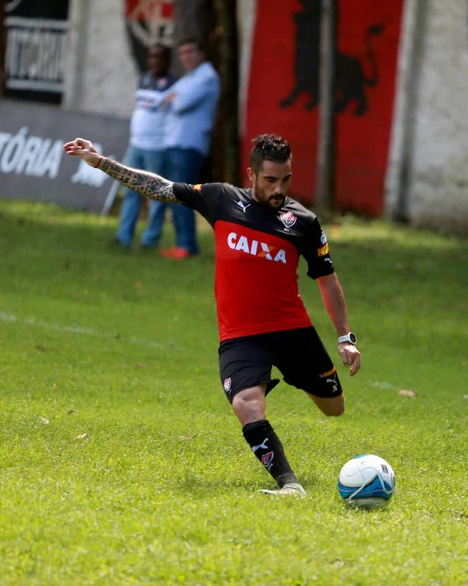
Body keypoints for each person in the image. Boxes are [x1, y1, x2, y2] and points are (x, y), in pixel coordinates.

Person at [63, 133, 362, 497]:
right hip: (240, 334)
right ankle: (289, 484)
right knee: (245, 403)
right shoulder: (222, 199)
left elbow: (327, 280)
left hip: (292, 330)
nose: (279, 188)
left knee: (334, 408)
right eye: (270, 180)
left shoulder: (303, 223)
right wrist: (101, 162)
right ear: (251, 174)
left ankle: (300, 382)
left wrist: (345, 336)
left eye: (286, 180)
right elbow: (160, 188)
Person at [154, 37, 221, 259]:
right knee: (176, 195)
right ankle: (183, 243)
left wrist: (173, 99)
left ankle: (186, 245)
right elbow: (162, 99)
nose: (186, 57)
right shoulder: (190, 78)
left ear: (202, 53)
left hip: (189, 144)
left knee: (182, 195)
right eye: (182, 53)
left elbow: (179, 104)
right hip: (176, 142)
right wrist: (172, 98)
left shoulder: (207, 77)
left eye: (190, 51)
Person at [111, 43, 177, 249]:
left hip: (157, 148)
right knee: (130, 190)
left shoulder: (174, 85)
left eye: (159, 57)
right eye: (152, 56)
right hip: (136, 144)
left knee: (155, 193)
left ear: (167, 60)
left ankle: (150, 240)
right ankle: (124, 237)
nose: (155, 61)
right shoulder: (144, 79)